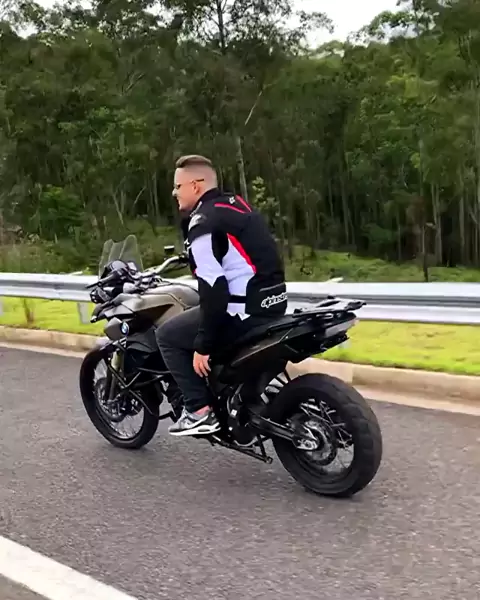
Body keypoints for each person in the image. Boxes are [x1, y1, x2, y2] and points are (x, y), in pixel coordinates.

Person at [156, 154, 287, 437]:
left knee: (167, 336)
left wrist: (203, 344)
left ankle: (199, 410)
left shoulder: (201, 223)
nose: (174, 193)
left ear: (196, 185)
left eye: (178, 186)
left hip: (242, 311)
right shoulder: (236, 205)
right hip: (274, 303)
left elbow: (214, 289)